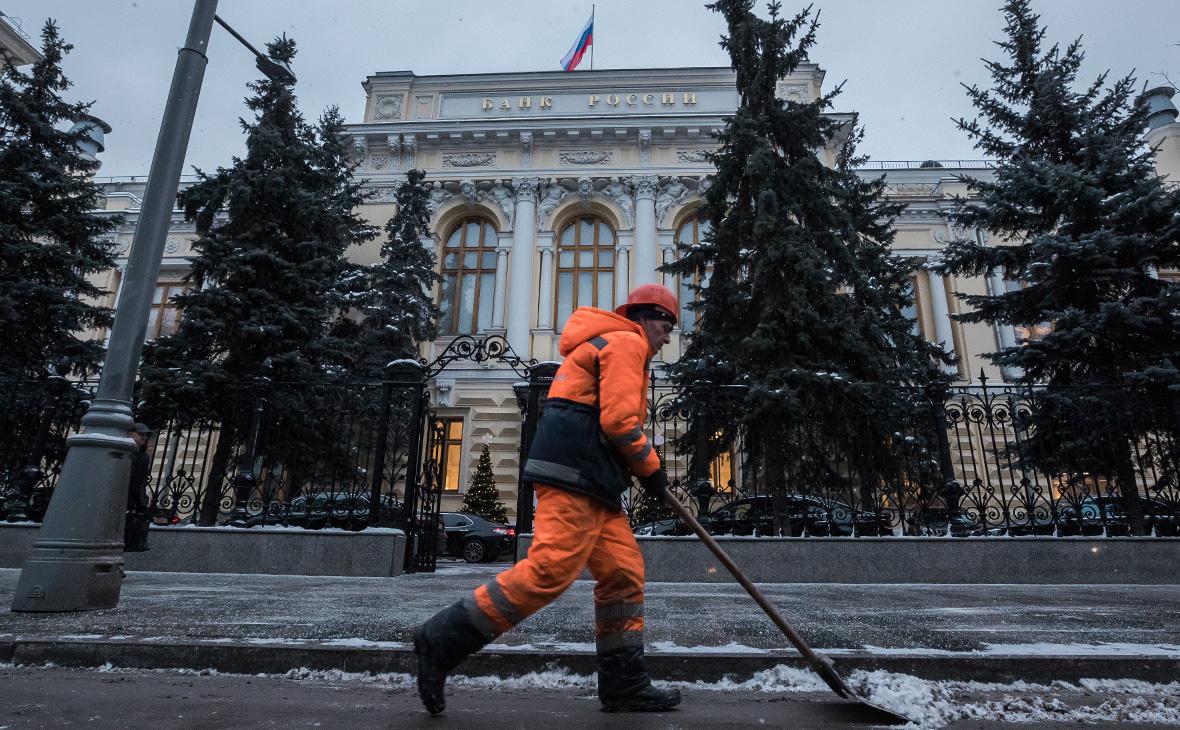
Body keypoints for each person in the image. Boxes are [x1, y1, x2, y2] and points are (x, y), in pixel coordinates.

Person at [414, 284, 682, 715]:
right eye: (667, 324)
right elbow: (618, 421)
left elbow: (606, 417)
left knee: (622, 574)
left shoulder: (612, 343)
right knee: (550, 570)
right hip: (576, 474)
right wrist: (651, 469)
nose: (668, 336)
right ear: (646, 318)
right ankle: (441, 638)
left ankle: (625, 684)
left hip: (595, 480)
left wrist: (636, 469)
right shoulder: (626, 343)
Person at [123, 422, 153, 552]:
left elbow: (140, 482)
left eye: (146, 435)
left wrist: (141, 504)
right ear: (129, 433)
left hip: (128, 501)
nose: (144, 437)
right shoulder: (122, 451)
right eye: (141, 434)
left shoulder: (143, 456)